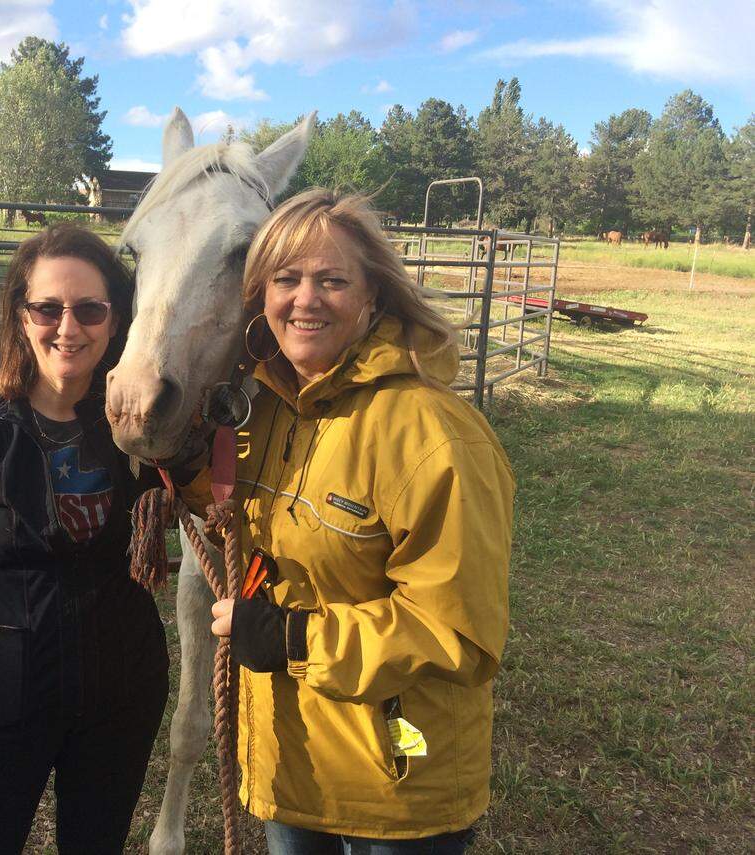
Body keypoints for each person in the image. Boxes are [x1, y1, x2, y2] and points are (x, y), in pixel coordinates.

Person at [184, 189, 514, 853]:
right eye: (286, 279)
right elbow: (230, 503)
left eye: (332, 280)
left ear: (374, 297)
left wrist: (297, 638)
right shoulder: (267, 411)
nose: (305, 299)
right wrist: (165, 452)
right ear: (261, 296)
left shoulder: (434, 436)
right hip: (293, 763)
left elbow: (459, 631)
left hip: (396, 789)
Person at [0, 223, 169, 853]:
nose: (68, 328)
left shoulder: (144, 429)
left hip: (120, 697)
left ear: (116, 319)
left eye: (91, 309)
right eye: (48, 308)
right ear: (22, 317)